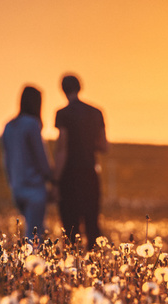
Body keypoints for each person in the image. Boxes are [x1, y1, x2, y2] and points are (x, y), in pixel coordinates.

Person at [54, 74, 108, 248]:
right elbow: (104, 146)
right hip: (90, 173)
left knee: (70, 225)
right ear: (80, 87)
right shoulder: (96, 112)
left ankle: (73, 265)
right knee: (92, 221)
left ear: (63, 89)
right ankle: (95, 263)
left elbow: (62, 147)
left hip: (69, 176)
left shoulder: (62, 114)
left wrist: (56, 178)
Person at [0, 85, 54, 239]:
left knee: (31, 229)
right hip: (34, 188)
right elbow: (40, 156)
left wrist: (11, 181)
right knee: (35, 234)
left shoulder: (9, 126)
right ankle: (33, 262)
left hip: (17, 187)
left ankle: (30, 260)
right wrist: (51, 176)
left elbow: (6, 159)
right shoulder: (31, 124)